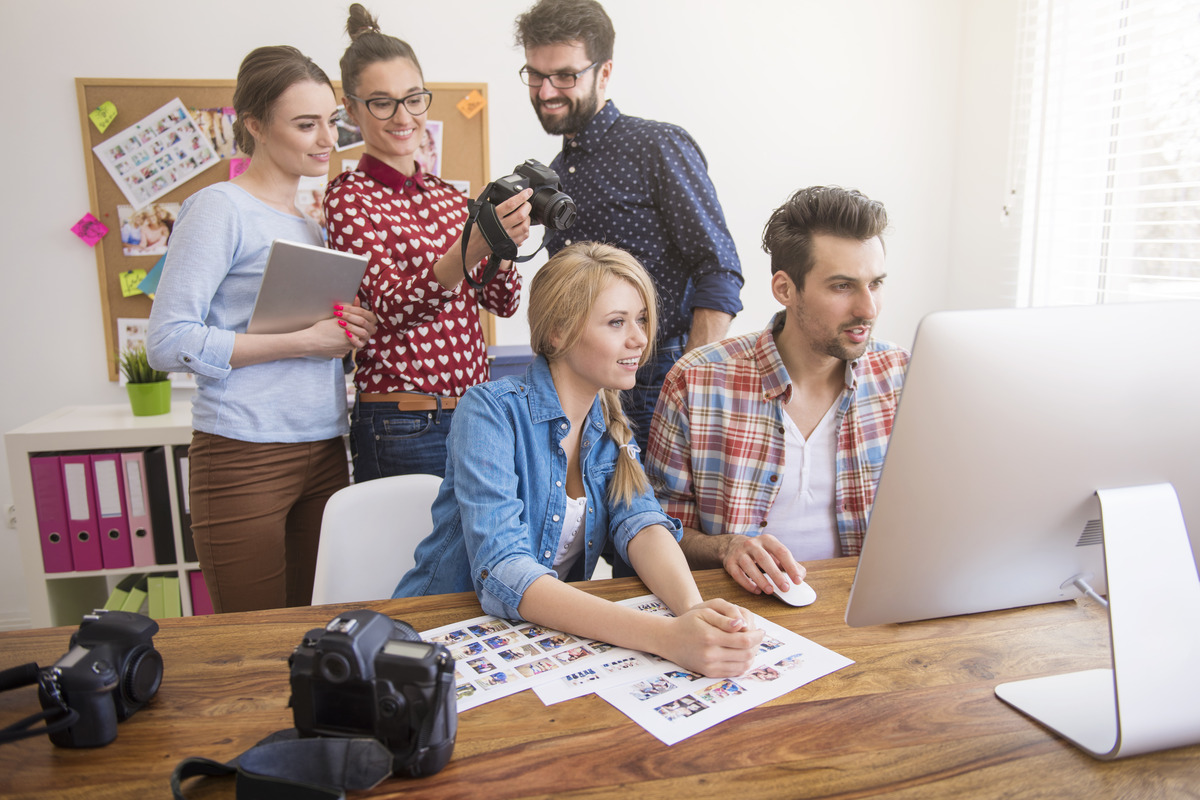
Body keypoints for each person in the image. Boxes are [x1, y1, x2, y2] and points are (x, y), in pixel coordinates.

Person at [395, 242, 762, 678]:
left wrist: (693, 612)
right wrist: (665, 637)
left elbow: (641, 523)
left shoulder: (610, 424)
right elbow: (504, 569)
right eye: (616, 322)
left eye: (641, 319)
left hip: (532, 643)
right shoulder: (488, 411)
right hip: (437, 636)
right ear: (558, 332)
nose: (640, 338)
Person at [147, 46, 378, 613]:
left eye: (331, 121)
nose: (327, 138)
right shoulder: (219, 208)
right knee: (252, 637)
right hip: (243, 451)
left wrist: (348, 329)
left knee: (312, 627)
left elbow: (311, 331)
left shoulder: (313, 223)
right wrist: (306, 342)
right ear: (254, 125)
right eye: (306, 124)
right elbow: (167, 342)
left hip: (324, 447)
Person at [644, 186, 910, 598]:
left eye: (875, 284)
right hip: (741, 618)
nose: (868, 309)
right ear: (785, 289)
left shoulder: (901, 376)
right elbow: (654, 527)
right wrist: (724, 547)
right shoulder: (697, 381)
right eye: (842, 287)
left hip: (867, 610)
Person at [514, 0, 744, 458]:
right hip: (581, 384)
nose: (545, 91)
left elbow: (719, 270)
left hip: (658, 375)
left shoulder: (656, 145)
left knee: (657, 523)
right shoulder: (556, 175)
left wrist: (686, 383)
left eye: (564, 75)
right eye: (535, 75)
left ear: (604, 72)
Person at [326, 3, 533, 481]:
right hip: (403, 419)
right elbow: (392, 310)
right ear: (353, 109)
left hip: (476, 414)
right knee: (414, 558)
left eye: (413, 98)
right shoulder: (348, 197)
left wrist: (503, 247)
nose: (403, 116)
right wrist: (471, 250)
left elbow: (502, 302)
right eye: (382, 102)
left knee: (478, 556)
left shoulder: (446, 195)